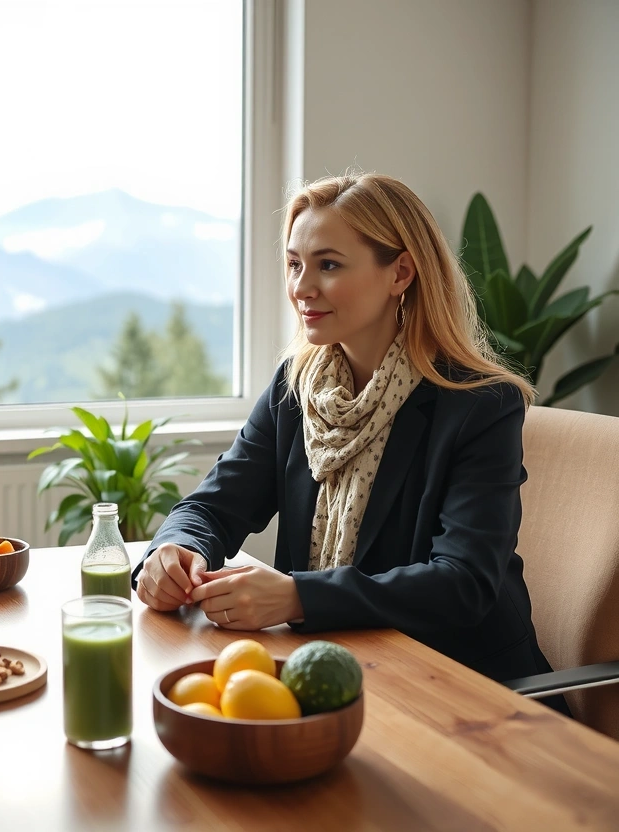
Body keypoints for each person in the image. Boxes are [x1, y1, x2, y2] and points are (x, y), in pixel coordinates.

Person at [135, 172, 565, 701]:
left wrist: (298, 598)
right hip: (338, 674)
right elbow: (213, 507)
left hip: (467, 688)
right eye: (294, 264)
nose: (301, 287)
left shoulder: (480, 405)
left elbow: (463, 583)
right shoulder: (296, 389)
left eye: (329, 265)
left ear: (400, 272)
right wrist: (176, 550)